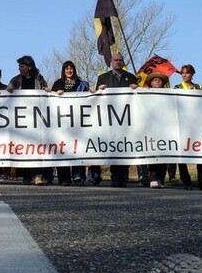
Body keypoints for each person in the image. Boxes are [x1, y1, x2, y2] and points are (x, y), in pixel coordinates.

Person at [96, 53, 138, 187]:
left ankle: (123, 177)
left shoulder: (131, 77)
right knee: (114, 148)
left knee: (124, 147)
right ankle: (115, 177)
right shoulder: (103, 78)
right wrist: (99, 90)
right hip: (109, 118)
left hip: (127, 118)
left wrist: (136, 88)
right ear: (111, 63)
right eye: (116, 60)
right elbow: (97, 97)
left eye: (120, 60)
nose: (118, 62)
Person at [7, 55, 50, 185]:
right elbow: (8, 90)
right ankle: (26, 176)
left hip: (37, 118)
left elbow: (46, 90)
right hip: (21, 119)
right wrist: (9, 90)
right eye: (19, 66)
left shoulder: (39, 79)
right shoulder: (15, 80)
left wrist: (47, 90)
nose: (19, 68)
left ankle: (38, 175)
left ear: (29, 67)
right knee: (24, 146)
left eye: (22, 66)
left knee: (37, 146)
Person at [51, 60, 89, 185]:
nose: (69, 70)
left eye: (71, 68)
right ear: (63, 70)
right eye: (66, 68)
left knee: (78, 148)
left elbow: (89, 99)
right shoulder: (58, 83)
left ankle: (78, 176)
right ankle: (64, 178)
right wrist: (56, 94)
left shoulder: (82, 84)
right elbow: (51, 100)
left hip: (78, 122)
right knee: (63, 150)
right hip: (62, 123)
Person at [173, 64, 202, 189]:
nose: (184, 75)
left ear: (192, 74)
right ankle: (186, 181)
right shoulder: (177, 87)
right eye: (182, 73)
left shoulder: (199, 87)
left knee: (201, 154)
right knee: (182, 154)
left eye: (187, 73)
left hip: (198, 125)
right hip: (182, 125)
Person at [141, 71, 169, 188]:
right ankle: (153, 178)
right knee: (152, 153)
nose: (157, 81)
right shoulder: (144, 93)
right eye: (154, 80)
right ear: (151, 83)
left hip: (166, 127)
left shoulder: (170, 94)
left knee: (165, 153)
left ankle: (161, 179)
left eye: (159, 80)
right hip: (150, 127)